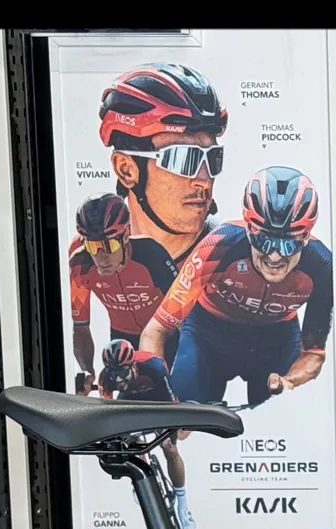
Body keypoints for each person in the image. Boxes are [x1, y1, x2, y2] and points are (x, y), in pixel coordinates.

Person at [70, 63, 227, 389]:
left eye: (213, 159)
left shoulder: (227, 250)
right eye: (183, 159)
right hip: (123, 345)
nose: (204, 179)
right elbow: (80, 325)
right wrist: (86, 370)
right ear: (127, 169)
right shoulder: (82, 255)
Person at [140, 166, 333, 410]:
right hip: (207, 332)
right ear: (249, 229)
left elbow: (313, 354)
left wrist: (289, 382)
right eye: (263, 240)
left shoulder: (323, 266)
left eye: (288, 245)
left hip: (276, 338)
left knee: (280, 416)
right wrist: (159, 393)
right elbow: (156, 330)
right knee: (183, 414)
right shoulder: (220, 246)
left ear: (305, 238)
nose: (274, 256)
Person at [68, 195, 182, 394]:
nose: (101, 257)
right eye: (92, 246)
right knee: (130, 404)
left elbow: (184, 309)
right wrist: (87, 370)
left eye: (109, 245)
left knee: (171, 397)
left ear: (126, 234)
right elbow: (81, 327)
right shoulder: (80, 265)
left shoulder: (151, 255)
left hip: (166, 336)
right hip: (123, 339)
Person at [96, 338, 191, 529]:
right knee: (127, 438)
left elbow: (172, 402)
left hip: (157, 399)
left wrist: (172, 428)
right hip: (130, 400)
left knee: (170, 449)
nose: (118, 380)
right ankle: (140, 475)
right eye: (113, 374)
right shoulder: (105, 378)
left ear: (133, 366)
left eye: (122, 373)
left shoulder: (154, 367)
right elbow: (106, 413)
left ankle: (183, 504)